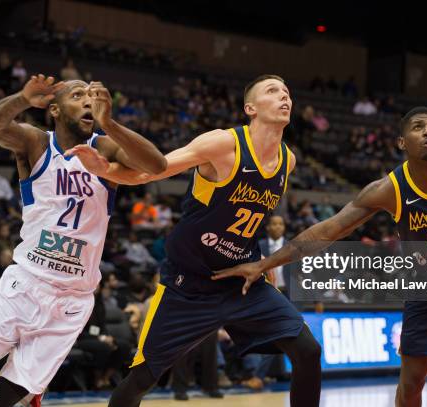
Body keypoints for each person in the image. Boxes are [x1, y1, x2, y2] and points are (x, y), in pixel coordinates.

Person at [216, 107, 427, 407]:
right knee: (412, 381)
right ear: (401, 142)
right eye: (418, 127)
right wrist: (265, 263)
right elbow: (328, 231)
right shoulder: (389, 188)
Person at [68, 74, 321, 407]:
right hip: (188, 284)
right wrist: (107, 171)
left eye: (287, 92)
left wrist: (262, 262)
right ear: (251, 108)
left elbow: (250, 216)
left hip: (240, 283)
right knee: (142, 377)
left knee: (308, 350)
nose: (284, 97)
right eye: (273, 92)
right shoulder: (223, 144)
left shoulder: (287, 160)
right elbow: (152, 171)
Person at [0, 74, 166, 407]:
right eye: (77, 95)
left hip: (70, 304)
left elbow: (157, 165)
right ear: (54, 109)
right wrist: (23, 100)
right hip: (22, 288)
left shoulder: (104, 147)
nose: (87, 100)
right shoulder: (37, 142)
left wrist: (109, 123)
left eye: (91, 96)